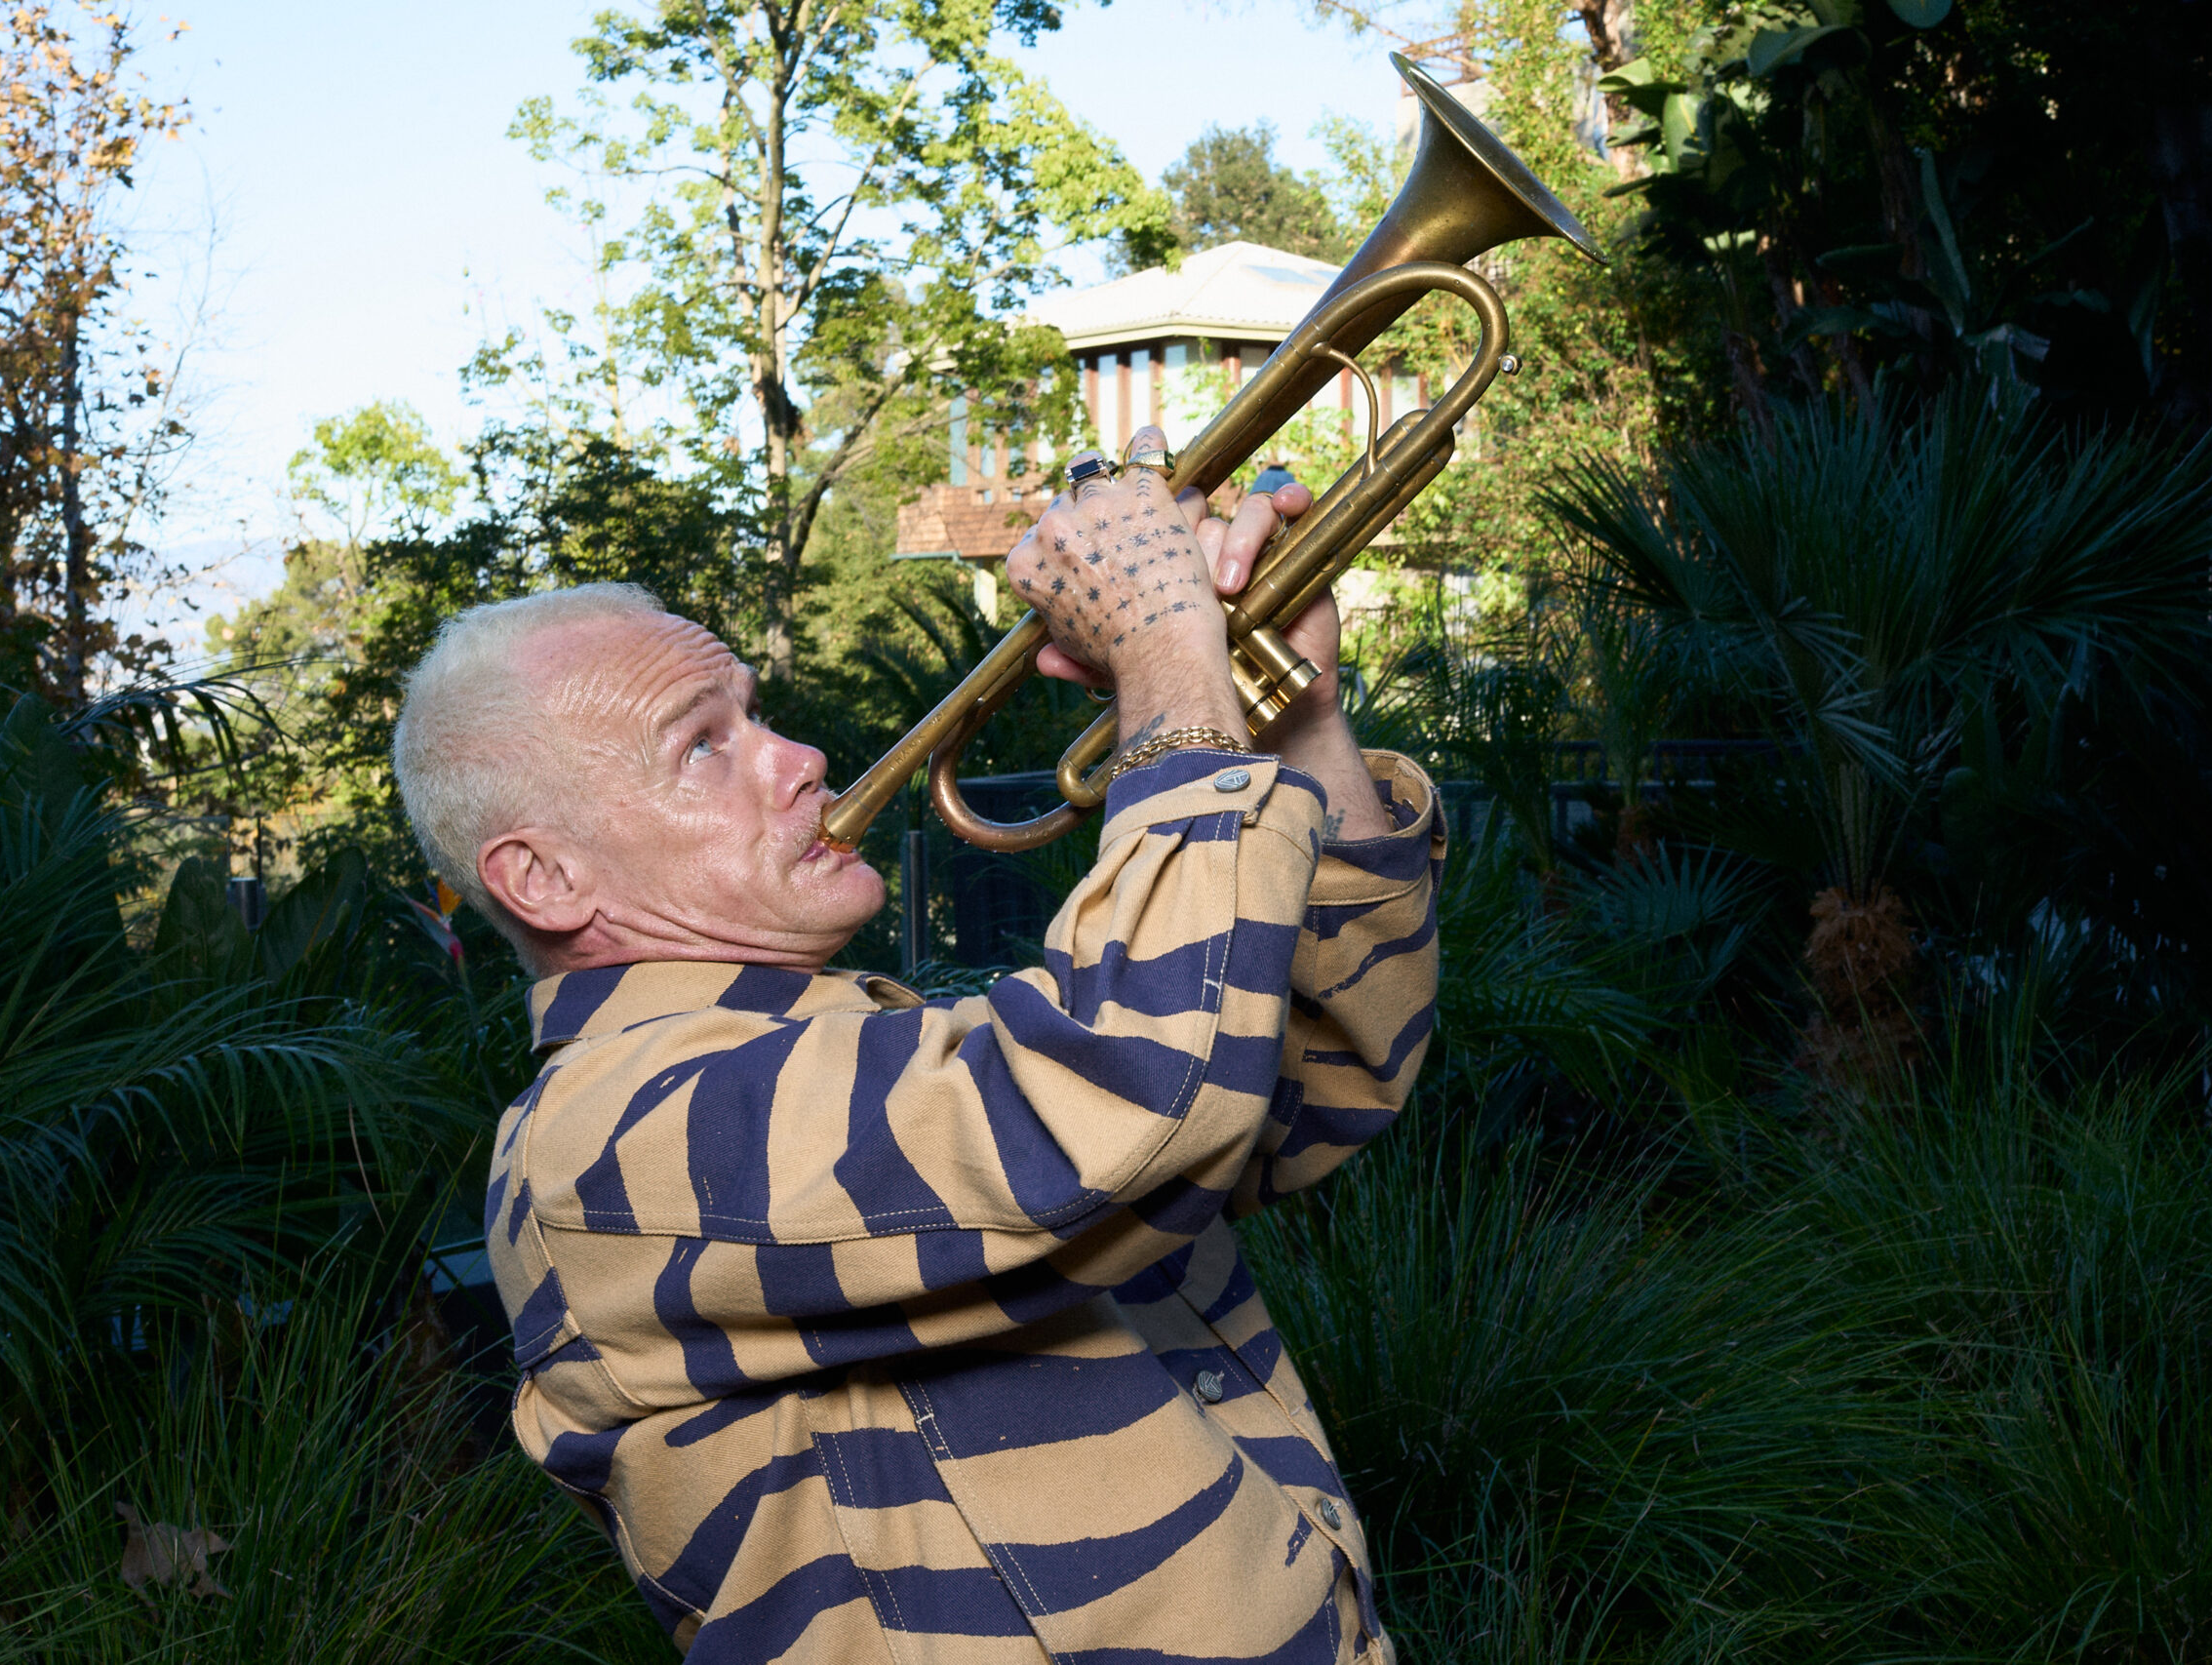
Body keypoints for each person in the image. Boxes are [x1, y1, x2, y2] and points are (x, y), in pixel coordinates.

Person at [390, 425, 1443, 1663]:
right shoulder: (608, 1148)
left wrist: (1296, 718)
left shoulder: (877, 1041)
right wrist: (1165, 647)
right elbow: (1132, 1096)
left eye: (756, 714)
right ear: (548, 878)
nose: (800, 759)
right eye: (701, 746)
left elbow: (1324, 1070)